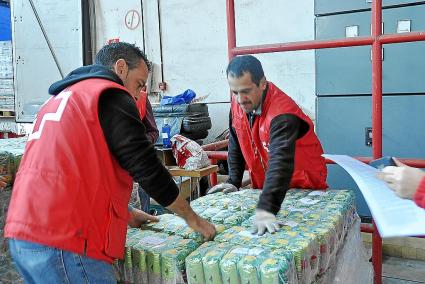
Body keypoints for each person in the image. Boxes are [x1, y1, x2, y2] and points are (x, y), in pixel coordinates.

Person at [4, 42, 215, 283]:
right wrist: (192, 218)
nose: (137, 95)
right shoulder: (109, 94)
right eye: (138, 84)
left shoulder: (62, 98)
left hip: (25, 236)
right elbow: (146, 166)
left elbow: (74, 170)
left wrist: (126, 214)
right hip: (67, 241)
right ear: (121, 67)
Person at [208, 55, 328, 235]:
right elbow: (236, 138)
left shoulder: (283, 114)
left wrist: (266, 208)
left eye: (246, 91)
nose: (240, 99)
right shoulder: (239, 102)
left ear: (262, 83)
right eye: (235, 92)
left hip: (302, 188)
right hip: (268, 188)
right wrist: (234, 181)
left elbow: (280, 162)